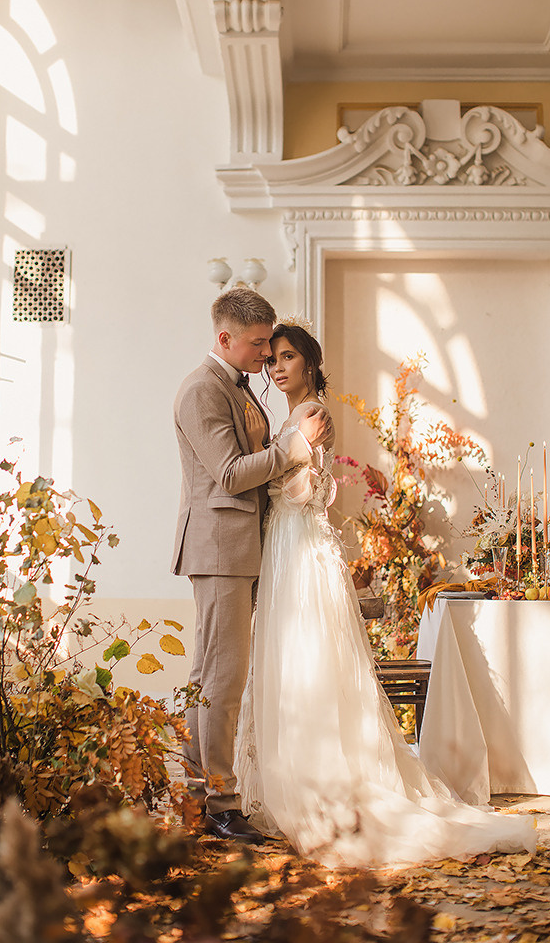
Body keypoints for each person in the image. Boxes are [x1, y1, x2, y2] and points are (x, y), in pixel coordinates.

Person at [234, 321, 537, 867]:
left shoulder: (310, 415)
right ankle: (296, 769)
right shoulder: (294, 416)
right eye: (272, 359)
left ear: (309, 363)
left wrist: (275, 471)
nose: (277, 367)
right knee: (295, 659)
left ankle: (319, 780)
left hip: (299, 546)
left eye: (287, 357)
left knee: (308, 658)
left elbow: (304, 491)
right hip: (288, 546)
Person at [172, 289, 331, 845]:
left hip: (241, 548)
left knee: (211, 678)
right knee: (222, 680)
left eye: (272, 345)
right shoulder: (202, 390)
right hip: (220, 549)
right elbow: (231, 473)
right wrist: (296, 446)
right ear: (225, 338)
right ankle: (219, 804)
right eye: (259, 343)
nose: (267, 354)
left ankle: (198, 798)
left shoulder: (237, 387)